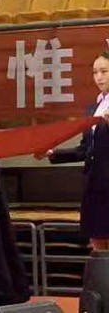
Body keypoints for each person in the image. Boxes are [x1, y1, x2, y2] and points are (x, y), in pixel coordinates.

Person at [42, 50, 109, 250]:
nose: (98, 77)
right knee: (98, 244)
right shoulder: (94, 107)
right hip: (95, 187)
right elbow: (86, 148)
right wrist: (55, 154)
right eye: (95, 72)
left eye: (104, 71)